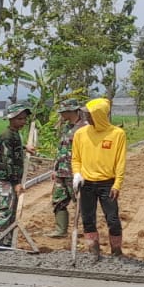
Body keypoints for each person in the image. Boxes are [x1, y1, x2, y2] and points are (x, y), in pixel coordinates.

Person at [71, 97, 128, 258]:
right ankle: (93, 250)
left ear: (100, 115)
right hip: (86, 183)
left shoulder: (117, 134)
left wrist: (117, 184)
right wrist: (77, 173)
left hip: (107, 184)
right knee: (88, 218)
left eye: (90, 115)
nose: (87, 118)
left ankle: (116, 251)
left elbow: (120, 162)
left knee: (113, 219)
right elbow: (76, 158)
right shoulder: (80, 134)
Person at [0, 102, 31, 250]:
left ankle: (6, 241)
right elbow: (8, 162)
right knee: (5, 210)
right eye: (20, 119)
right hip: (5, 179)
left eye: (24, 119)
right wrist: (16, 182)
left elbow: (14, 148)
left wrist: (25, 147)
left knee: (12, 210)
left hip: (11, 179)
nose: (23, 122)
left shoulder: (14, 134)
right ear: (11, 119)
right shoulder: (7, 135)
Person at [46, 100, 86, 238]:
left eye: (63, 112)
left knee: (80, 202)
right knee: (58, 200)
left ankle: (87, 230)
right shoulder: (66, 127)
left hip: (75, 172)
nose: (61, 115)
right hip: (61, 171)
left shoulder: (84, 128)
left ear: (72, 111)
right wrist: (55, 169)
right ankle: (60, 230)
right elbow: (61, 150)